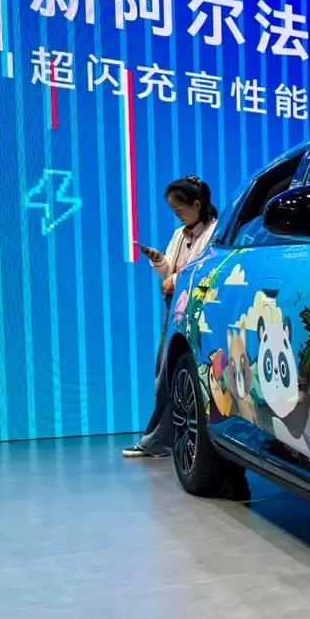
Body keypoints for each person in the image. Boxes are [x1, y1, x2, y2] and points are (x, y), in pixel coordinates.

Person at [123, 176, 220, 457]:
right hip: (175, 308)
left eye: (180, 208)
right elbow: (169, 273)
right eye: (173, 210)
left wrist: (175, 279)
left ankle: (158, 441)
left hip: (198, 310)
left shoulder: (215, 233)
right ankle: (165, 440)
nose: (177, 214)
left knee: (180, 372)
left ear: (197, 204)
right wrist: (158, 260)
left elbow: (204, 269)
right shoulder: (180, 235)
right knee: (165, 372)